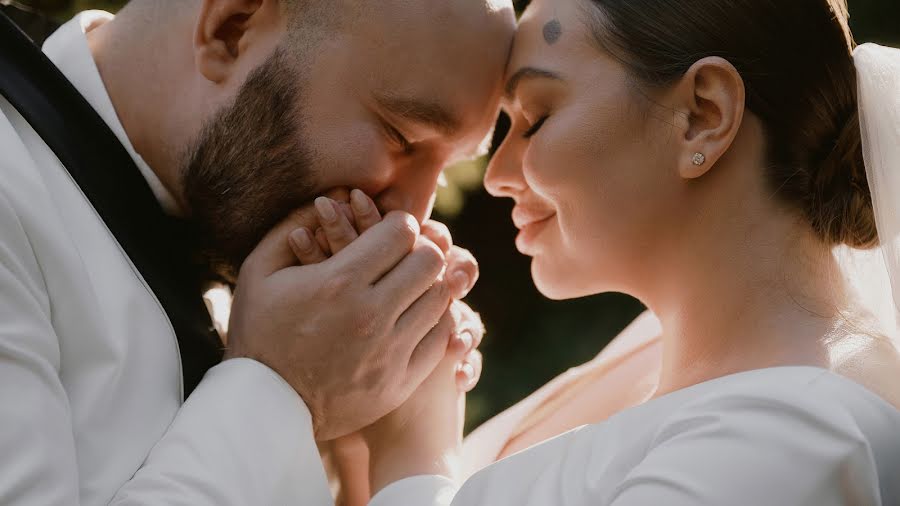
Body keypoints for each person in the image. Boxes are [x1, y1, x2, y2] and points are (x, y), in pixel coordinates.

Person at [350, 0, 900, 503]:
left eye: (536, 118)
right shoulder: (645, 362)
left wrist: (410, 454)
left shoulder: (799, 434)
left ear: (702, 116)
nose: (496, 177)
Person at [0, 0, 514, 504]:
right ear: (231, 29)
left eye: (444, 169)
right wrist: (284, 385)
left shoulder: (241, 238)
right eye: (401, 137)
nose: (414, 217)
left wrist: (368, 464)